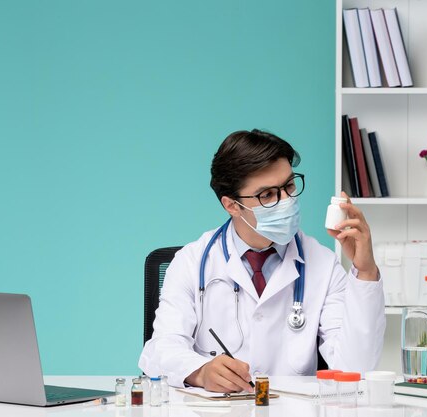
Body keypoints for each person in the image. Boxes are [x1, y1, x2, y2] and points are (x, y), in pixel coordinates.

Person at [139, 129, 385, 393]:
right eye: (267, 195)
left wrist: (366, 270)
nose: (286, 201)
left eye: (289, 186)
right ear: (232, 205)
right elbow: (160, 350)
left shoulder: (323, 264)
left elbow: (355, 370)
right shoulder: (191, 261)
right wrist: (201, 371)